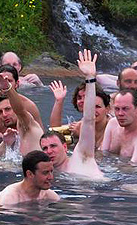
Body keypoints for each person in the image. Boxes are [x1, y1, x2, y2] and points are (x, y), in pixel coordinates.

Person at [41, 50, 103, 178]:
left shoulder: (81, 156)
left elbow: (89, 120)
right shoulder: (50, 176)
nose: (49, 151)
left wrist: (90, 78)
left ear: (65, 147)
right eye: (45, 149)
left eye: (53, 146)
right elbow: (55, 129)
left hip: (108, 190)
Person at [0, 71, 44, 157]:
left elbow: (20, 111)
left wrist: (7, 87)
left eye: (8, 109)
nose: (4, 114)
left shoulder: (27, 125)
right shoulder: (11, 136)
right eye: (0, 112)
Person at [48, 80, 111, 150]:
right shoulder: (79, 126)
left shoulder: (114, 127)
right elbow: (54, 133)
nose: (82, 101)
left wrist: (83, 135)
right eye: (79, 98)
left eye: (85, 97)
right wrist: (59, 101)